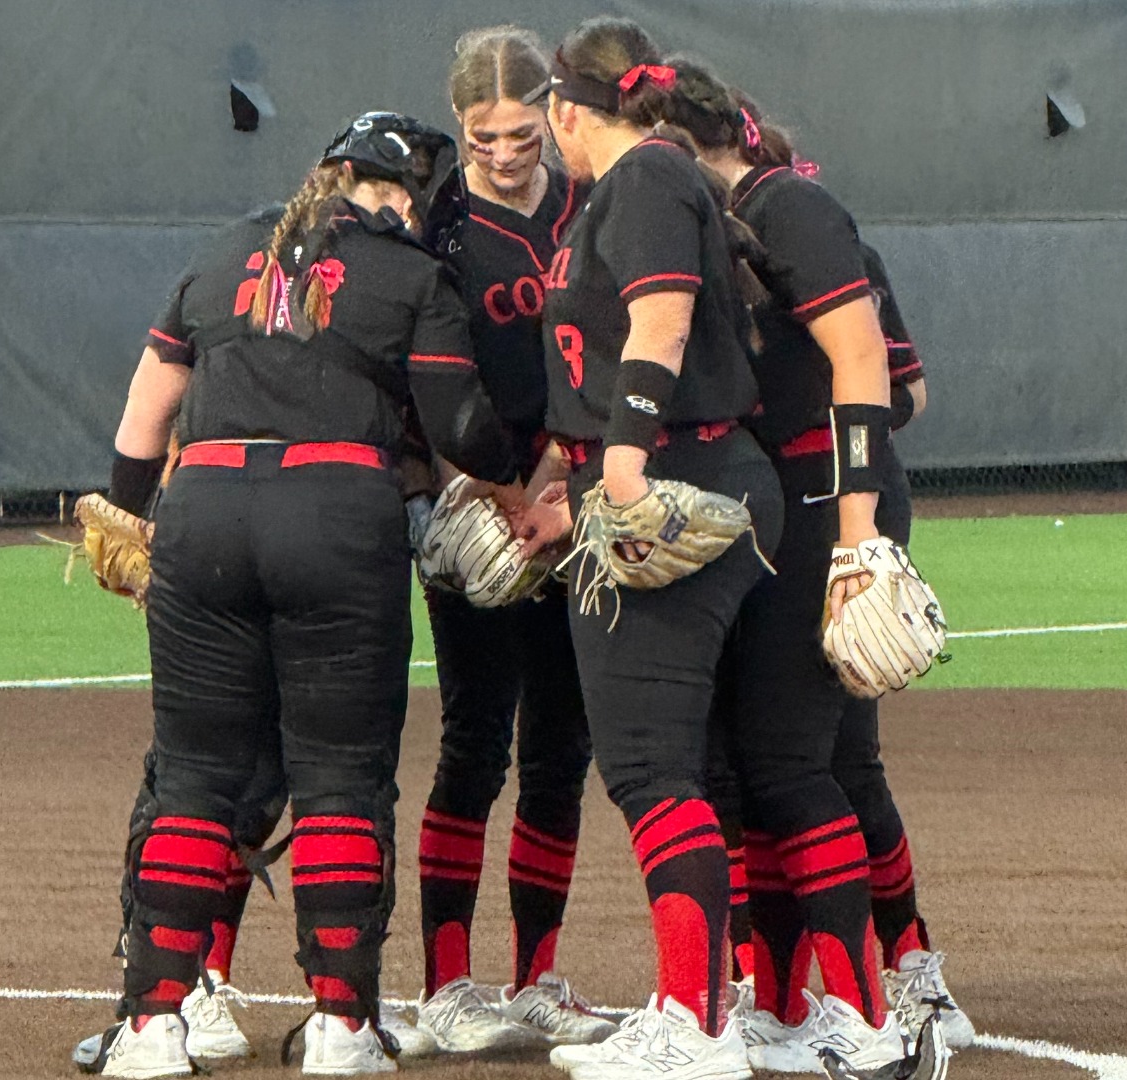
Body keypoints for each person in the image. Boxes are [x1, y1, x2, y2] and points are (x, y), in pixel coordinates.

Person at [70, 112, 522, 1078]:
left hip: (203, 517)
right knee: (340, 779)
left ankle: (153, 1024)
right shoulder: (411, 273)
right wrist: (526, 470)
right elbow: (458, 423)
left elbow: (147, 411)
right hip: (337, 516)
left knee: (193, 777)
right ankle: (341, 1025)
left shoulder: (225, 251)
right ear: (404, 196)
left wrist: (127, 515)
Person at [662, 59, 973, 1061]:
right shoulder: (686, 231)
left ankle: (900, 983)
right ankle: (780, 992)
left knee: (819, 763)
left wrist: (856, 520)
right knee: (752, 763)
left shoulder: (792, 213)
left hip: (822, 507)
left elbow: (901, 386)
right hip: (752, 510)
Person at [516, 17, 783, 1080]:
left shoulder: (646, 177)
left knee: (647, 766)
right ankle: (718, 1003)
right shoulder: (631, 186)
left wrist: (620, 469)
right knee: (694, 763)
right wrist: (567, 487)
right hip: (677, 473)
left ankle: (697, 1020)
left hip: (678, 476)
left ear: (565, 111)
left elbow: (661, 321)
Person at [408, 24, 614, 1053]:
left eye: (520, 132)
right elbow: (424, 374)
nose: (500, 152)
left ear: (552, 114)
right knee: (475, 742)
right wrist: (473, 490)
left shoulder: (591, 204)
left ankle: (537, 976)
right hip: (482, 507)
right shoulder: (439, 226)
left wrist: (564, 478)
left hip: (572, 505)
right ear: (458, 126)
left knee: (561, 749)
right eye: (480, 135)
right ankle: (446, 986)